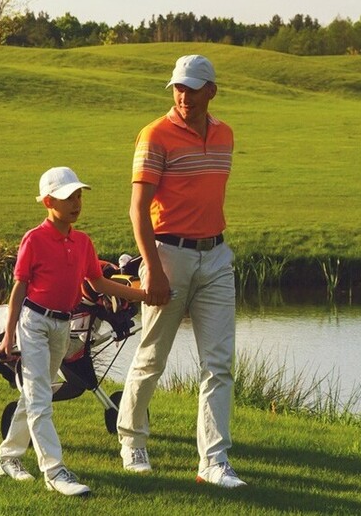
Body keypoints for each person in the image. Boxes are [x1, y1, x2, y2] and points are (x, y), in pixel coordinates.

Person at [116, 54, 247, 488]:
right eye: (178, 87)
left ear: (212, 90)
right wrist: (151, 269)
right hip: (169, 254)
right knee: (153, 356)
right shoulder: (155, 135)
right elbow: (138, 208)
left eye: (192, 88)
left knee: (219, 364)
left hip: (216, 255)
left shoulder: (225, 135)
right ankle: (132, 441)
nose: (183, 95)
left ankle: (214, 461)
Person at [0, 166, 148, 497]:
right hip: (34, 323)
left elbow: (99, 282)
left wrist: (144, 295)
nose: (76, 202)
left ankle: (9, 457)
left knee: (37, 394)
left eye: (79, 195)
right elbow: (18, 291)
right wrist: (9, 336)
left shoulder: (82, 242)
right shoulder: (34, 239)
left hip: (63, 325)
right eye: (69, 197)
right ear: (49, 201)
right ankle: (54, 470)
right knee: (40, 398)